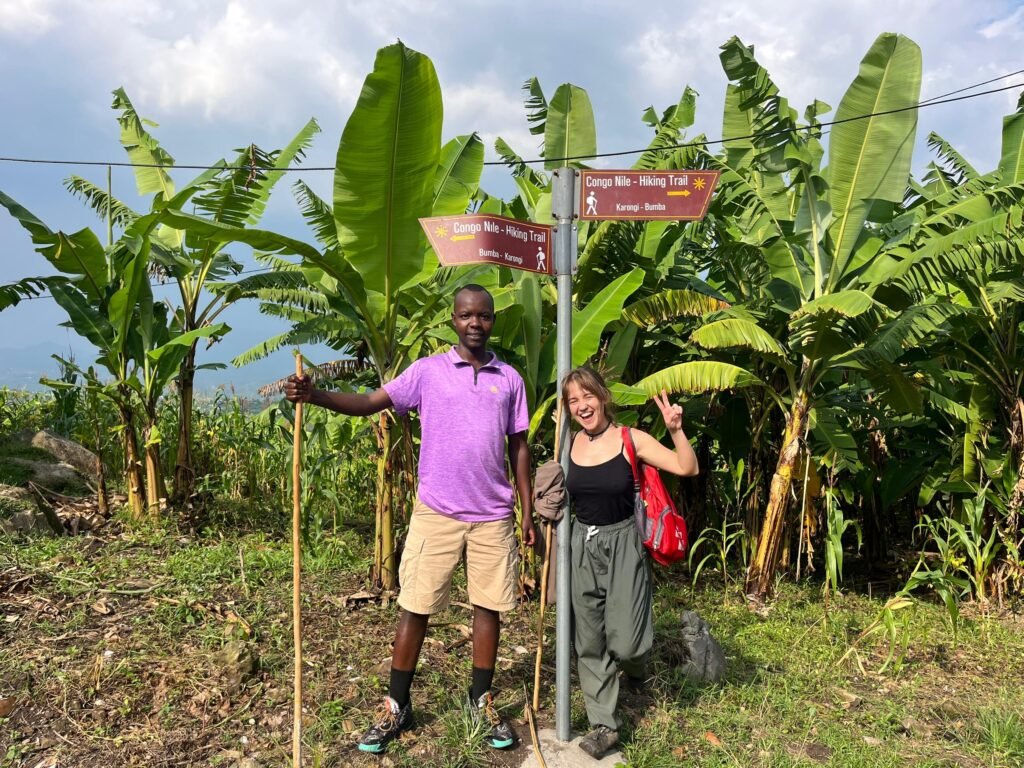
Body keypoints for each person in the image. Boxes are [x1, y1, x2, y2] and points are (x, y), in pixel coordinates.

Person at [284, 284, 536, 754]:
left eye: (483, 316)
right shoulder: (428, 372)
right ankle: (396, 705)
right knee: (416, 606)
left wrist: (525, 510)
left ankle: (479, 700)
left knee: (488, 607)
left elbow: (519, 448)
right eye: (466, 315)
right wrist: (315, 395)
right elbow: (369, 403)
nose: (475, 323)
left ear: (493, 321)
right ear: (453, 320)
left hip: (493, 514)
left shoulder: (510, 379)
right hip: (437, 512)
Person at [561, 366, 698, 759]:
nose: (582, 406)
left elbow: (686, 467)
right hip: (581, 544)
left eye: (587, 396)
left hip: (623, 542)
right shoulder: (568, 443)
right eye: (573, 400)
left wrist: (674, 429)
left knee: (628, 642)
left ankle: (637, 667)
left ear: (603, 396)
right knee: (588, 639)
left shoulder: (628, 439)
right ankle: (605, 724)